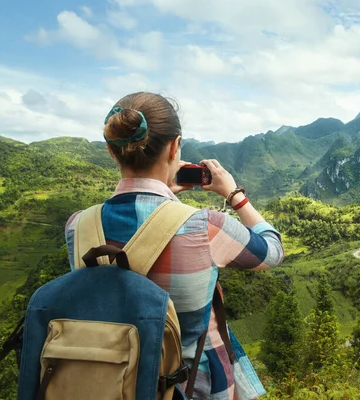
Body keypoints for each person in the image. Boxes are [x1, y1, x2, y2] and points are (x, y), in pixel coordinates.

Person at [64, 92, 285, 399]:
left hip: (109, 383)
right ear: (174, 146)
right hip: (192, 387)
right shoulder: (203, 226)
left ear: (112, 151)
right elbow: (272, 251)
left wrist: (163, 196)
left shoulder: (78, 226)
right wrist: (235, 195)